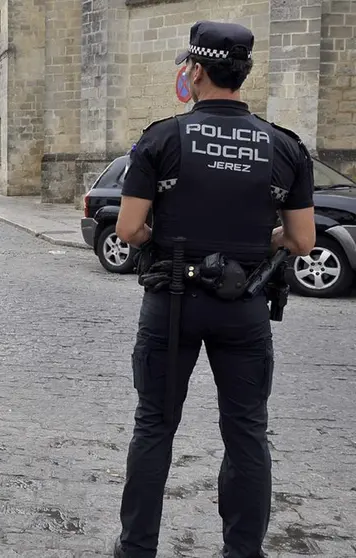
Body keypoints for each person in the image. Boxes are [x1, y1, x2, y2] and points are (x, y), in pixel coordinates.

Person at [112, 21, 316, 558]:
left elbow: (129, 231)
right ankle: (242, 550)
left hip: (173, 301)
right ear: (243, 73)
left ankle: (137, 548)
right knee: (247, 431)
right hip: (244, 303)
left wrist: (175, 239)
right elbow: (300, 239)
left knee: (154, 426)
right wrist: (252, 240)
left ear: (196, 71)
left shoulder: (162, 137)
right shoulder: (284, 146)